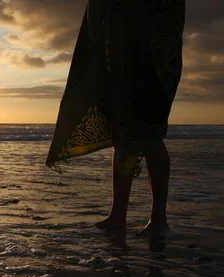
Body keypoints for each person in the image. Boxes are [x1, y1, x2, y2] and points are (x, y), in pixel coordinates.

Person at [45, 0, 185, 235]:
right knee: (121, 134)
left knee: (149, 135)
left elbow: (166, 19)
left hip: (151, 64)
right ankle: (118, 215)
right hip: (118, 64)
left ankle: (158, 220)